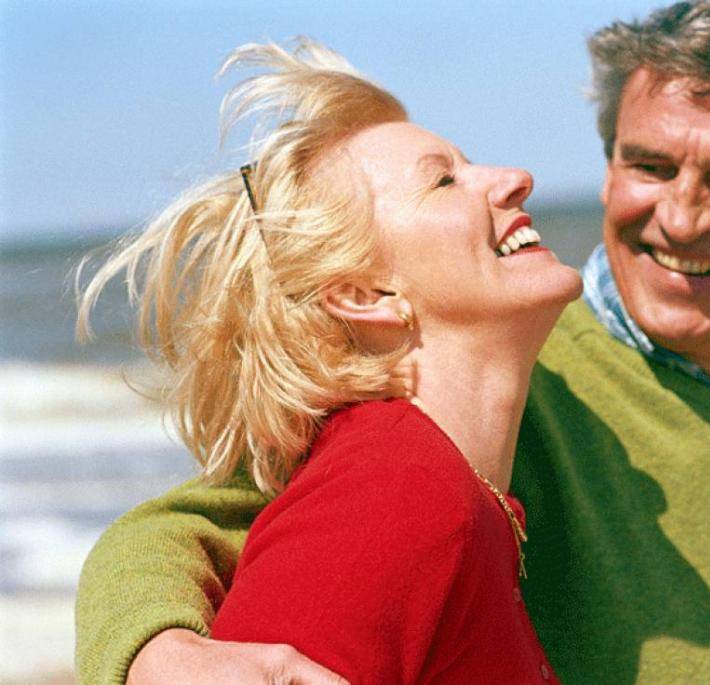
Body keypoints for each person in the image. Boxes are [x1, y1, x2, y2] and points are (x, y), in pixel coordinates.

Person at [75, 1, 710, 683]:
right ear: (610, 165)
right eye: (649, 166)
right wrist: (157, 650)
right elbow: (176, 532)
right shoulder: (493, 375)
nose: (681, 219)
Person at [75, 39, 582, 684]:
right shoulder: (396, 489)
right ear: (365, 295)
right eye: (445, 180)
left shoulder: (452, 485)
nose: (514, 178)